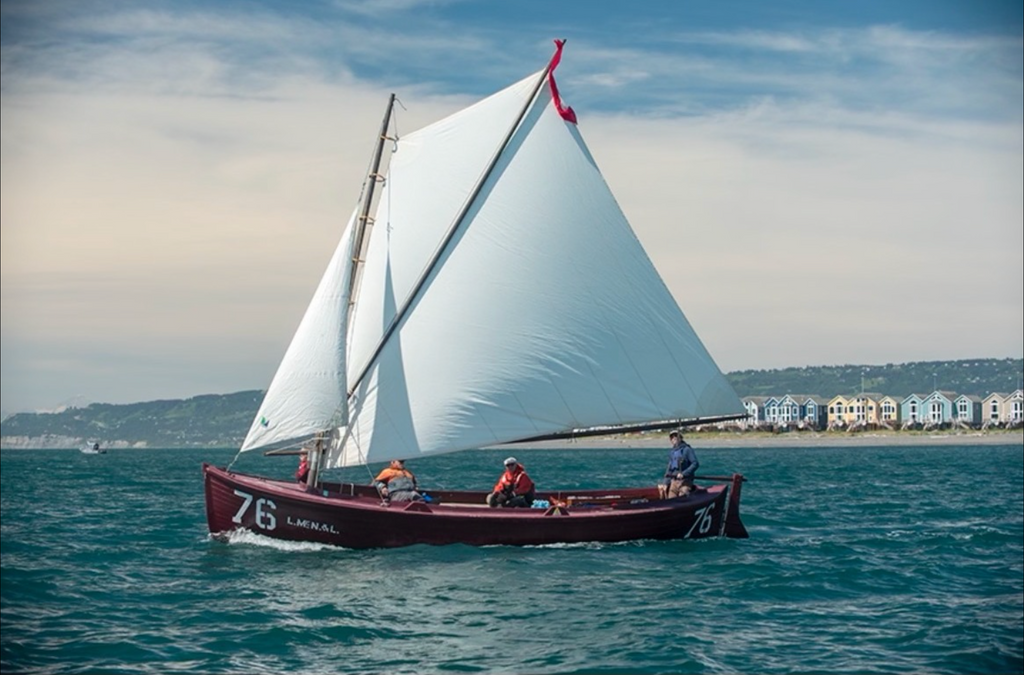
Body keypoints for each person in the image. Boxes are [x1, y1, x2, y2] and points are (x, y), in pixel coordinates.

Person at [658, 431, 699, 499]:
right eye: (671, 437)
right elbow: (670, 469)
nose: (674, 438)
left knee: (682, 497)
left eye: (676, 436)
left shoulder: (687, 450)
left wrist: (684, 474)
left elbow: (695, 464)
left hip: (685, 482)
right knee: (670, 499)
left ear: (680, 438)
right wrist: (665, 483)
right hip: (674, 482)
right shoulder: (672, 452)